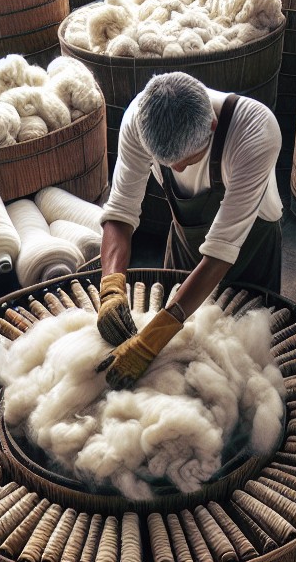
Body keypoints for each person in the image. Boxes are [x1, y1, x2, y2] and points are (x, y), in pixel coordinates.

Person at [96, 72, 284, 388]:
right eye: (165, 164)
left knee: (243, 366)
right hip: (186, 241)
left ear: (211, 125)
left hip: (249, 248)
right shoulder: (138, 120)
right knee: (177, 366)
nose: (177, 171)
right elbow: (120, 213)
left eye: (184, 161)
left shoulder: (254, 131)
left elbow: (221, 250)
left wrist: (151, 340)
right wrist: (111, 287)